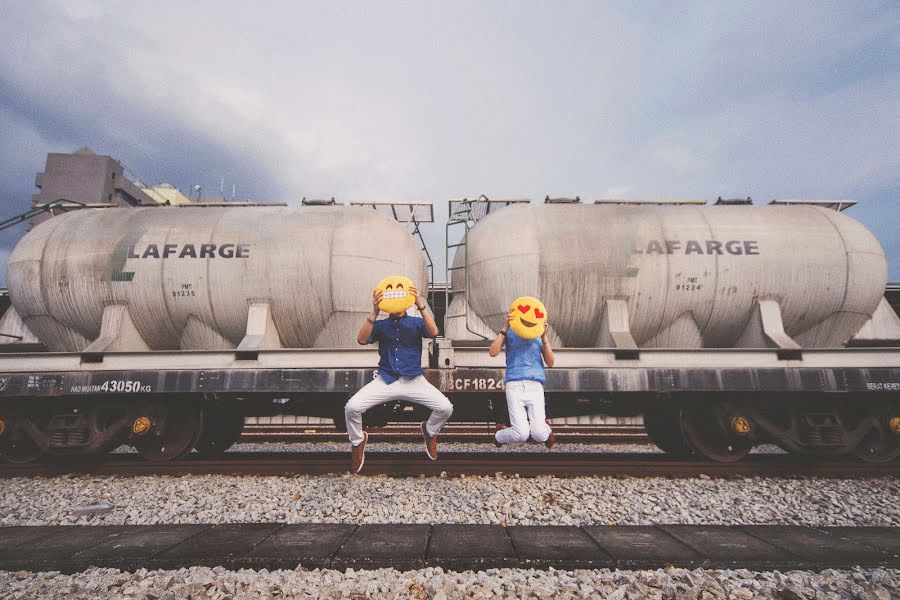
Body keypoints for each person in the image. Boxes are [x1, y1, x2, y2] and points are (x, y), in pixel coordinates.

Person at [345, 282, 453, 473]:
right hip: (386, 379)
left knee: (445, 407)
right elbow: (361, 339)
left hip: (413, 379)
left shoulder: (416, 322)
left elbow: (434, 332)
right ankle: (357, 441)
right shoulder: (380, 325)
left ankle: (429, 432)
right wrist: (374, 312)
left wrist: (420, 304)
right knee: (352, 407)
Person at [489, 307, 556, 448]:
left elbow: (550, 362)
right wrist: (505, 326)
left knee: (539, 435)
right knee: (521, 434)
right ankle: (499, 436)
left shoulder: (538, 332)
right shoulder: (510, 330)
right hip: (514, 384)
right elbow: (493, 352)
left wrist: (544, 337)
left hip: (535, 384)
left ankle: (546, 429)